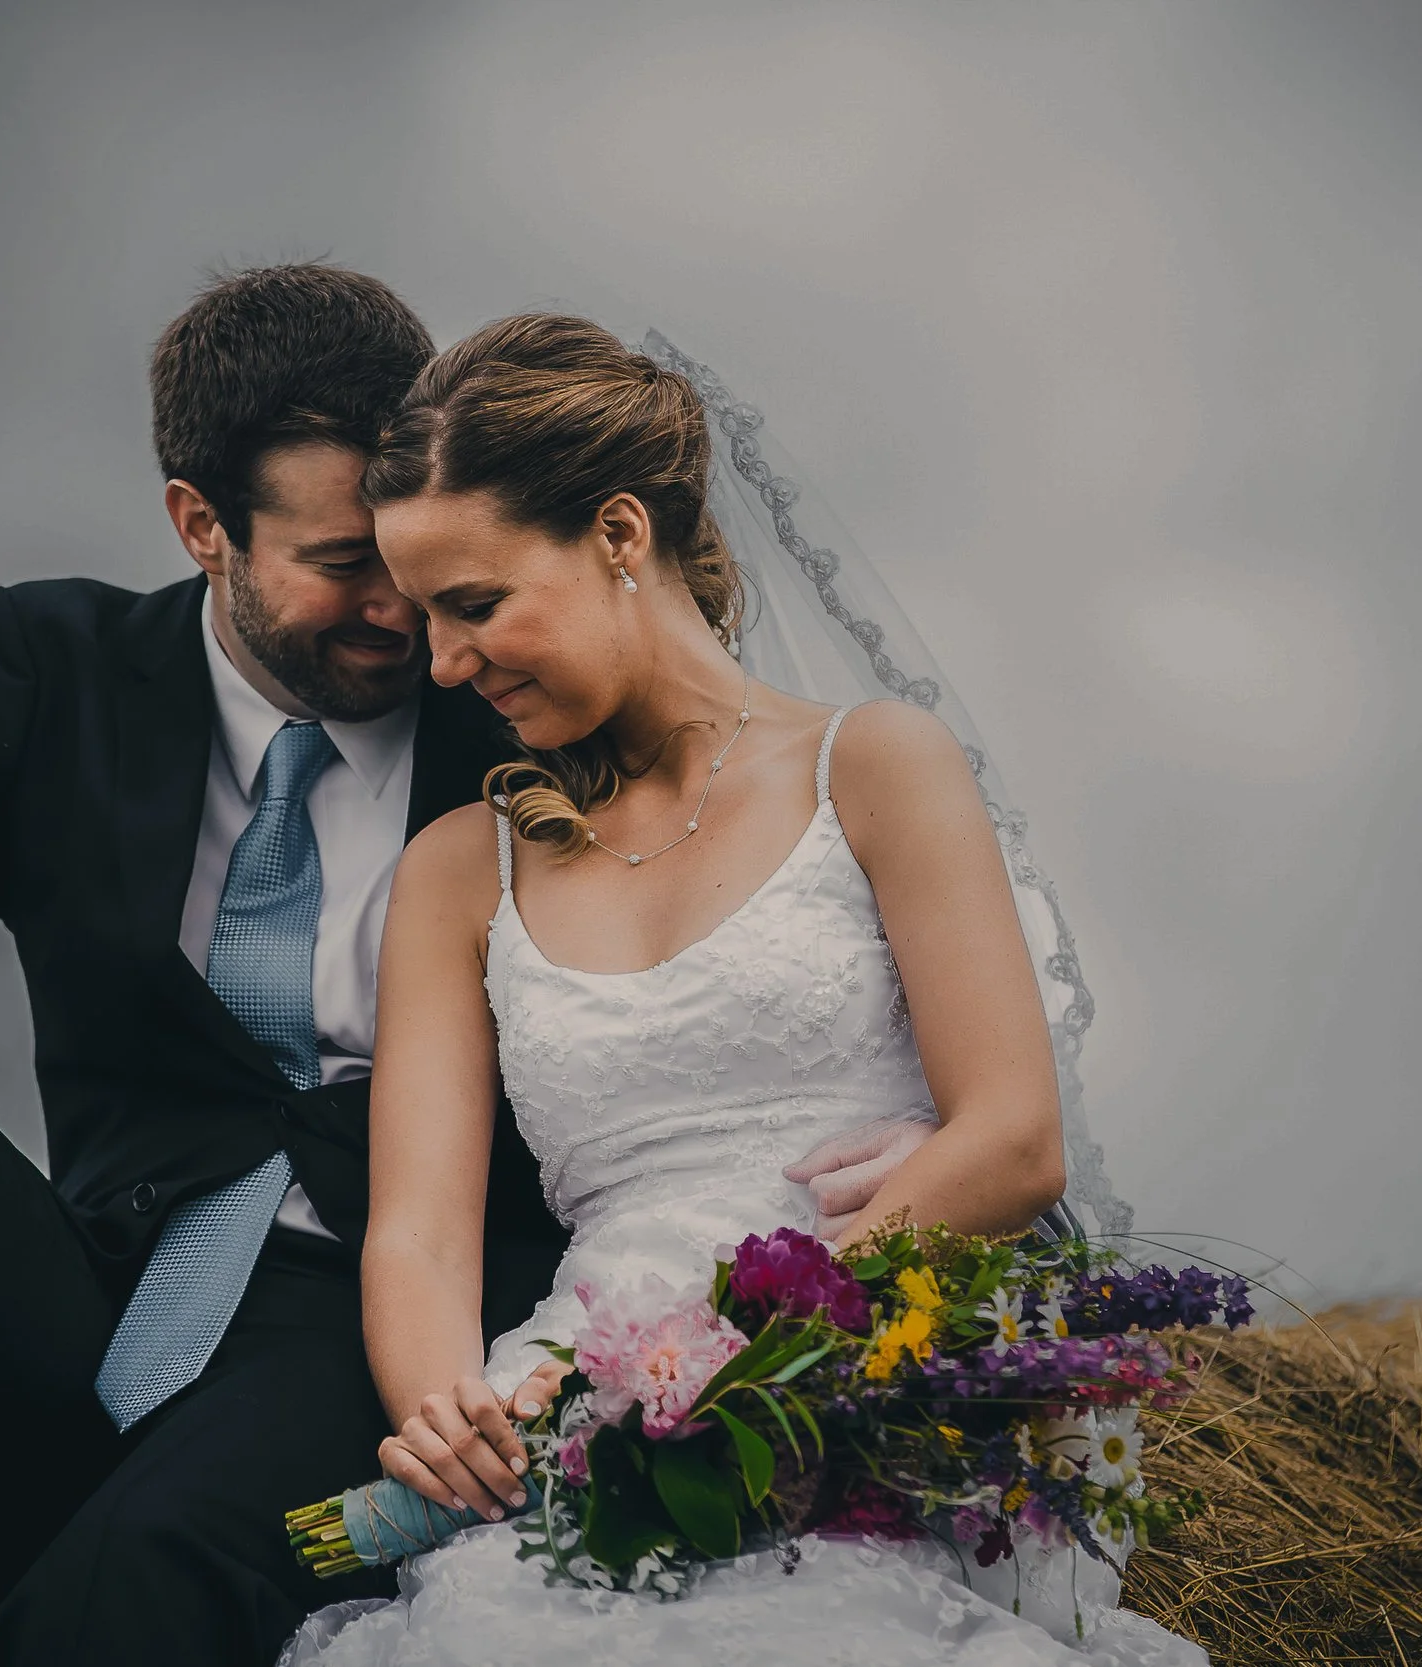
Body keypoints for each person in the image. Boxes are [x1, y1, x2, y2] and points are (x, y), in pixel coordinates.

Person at [0, 266, 920, 1667]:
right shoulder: (60, 680)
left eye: (415, 552)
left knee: (151, 1568)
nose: (406, 612)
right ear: (202, 526)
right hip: (83, 1333)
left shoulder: (526, 702)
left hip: (383, 1353)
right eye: (342, 563)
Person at [283, 315, 1202, 1664]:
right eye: (423, 616)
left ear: (616, 533)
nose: (442, 662)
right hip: (569, 1403)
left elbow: (1009, 1136)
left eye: (473, 603)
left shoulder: (875, 768)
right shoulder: (455, 871)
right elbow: (418, 1232)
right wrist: (459, 1425)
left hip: (861, 1379)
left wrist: (736, 1363)